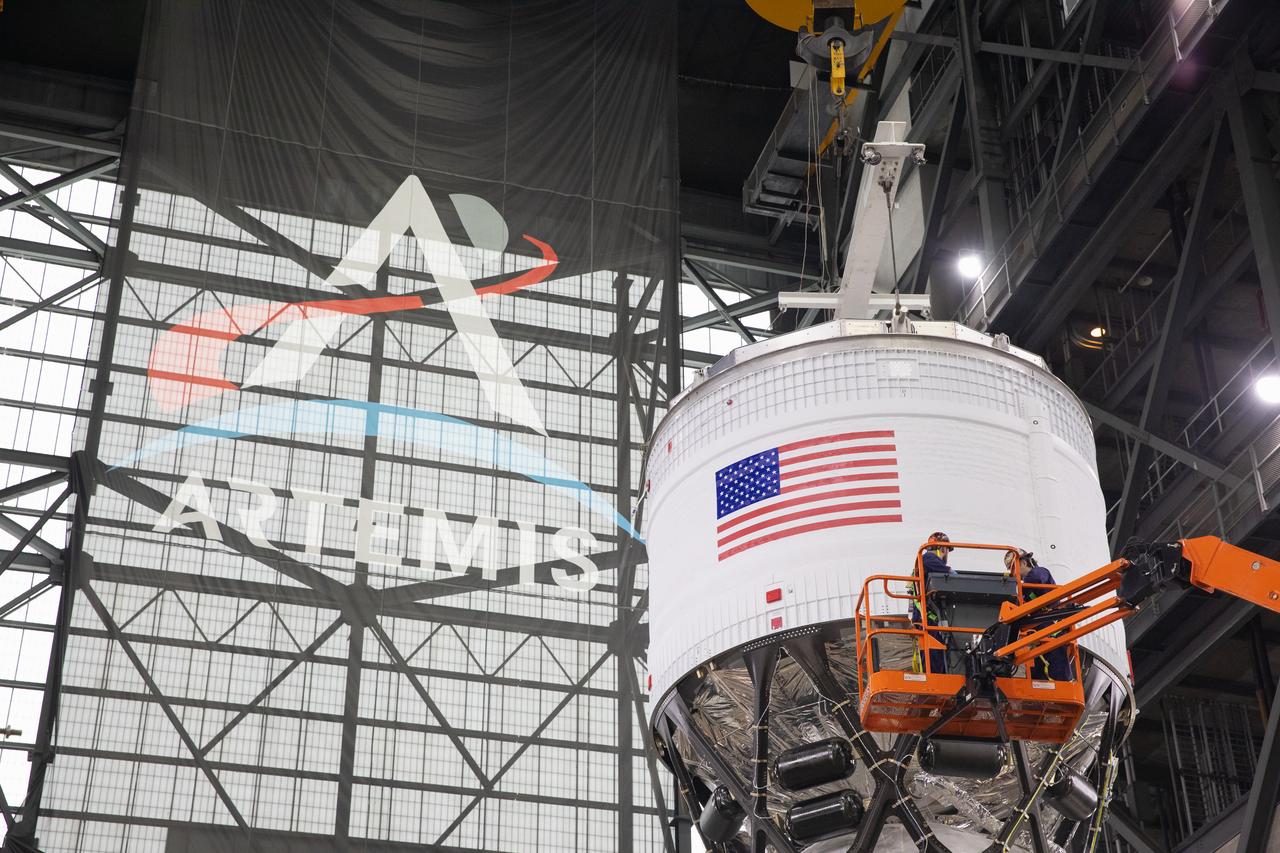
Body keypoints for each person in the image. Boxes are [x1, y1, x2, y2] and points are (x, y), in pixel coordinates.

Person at [1004, 549, 1072, 681]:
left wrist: (1020, 594)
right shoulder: (1026, 585)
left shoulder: (1039, 572)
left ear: (1024, 562)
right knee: (1038, 667)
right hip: (1039, 630)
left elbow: (1037, 580)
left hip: (1050, 625)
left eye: (1013, 568)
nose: (1013, 574)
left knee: (1055, 664)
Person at [909, 532, 955, 674]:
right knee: (934, 654)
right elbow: (951, 576)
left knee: (935, 653)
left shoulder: (925, 561)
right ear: (942, 548)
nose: (947, 554)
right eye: (947, 550)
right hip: (928, 618)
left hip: (926, 616)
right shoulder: (928, 558)